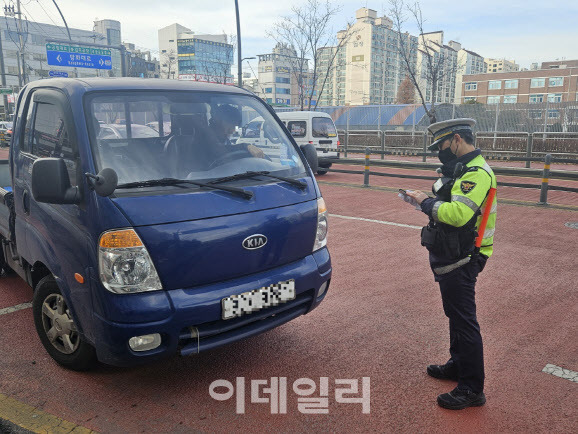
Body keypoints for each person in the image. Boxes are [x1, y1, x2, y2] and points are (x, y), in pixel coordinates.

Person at [405, 118, 497, 410]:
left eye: (442, 146)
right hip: (454, 253)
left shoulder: (477, 173)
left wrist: (424, 201)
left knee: (464, 320)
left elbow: (458, 214)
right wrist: (430, 199)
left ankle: (472, 388)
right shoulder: (462, 170)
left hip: (466, 256)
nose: (439, 153)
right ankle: (458, 366)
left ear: (457, 139)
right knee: (455, 315)